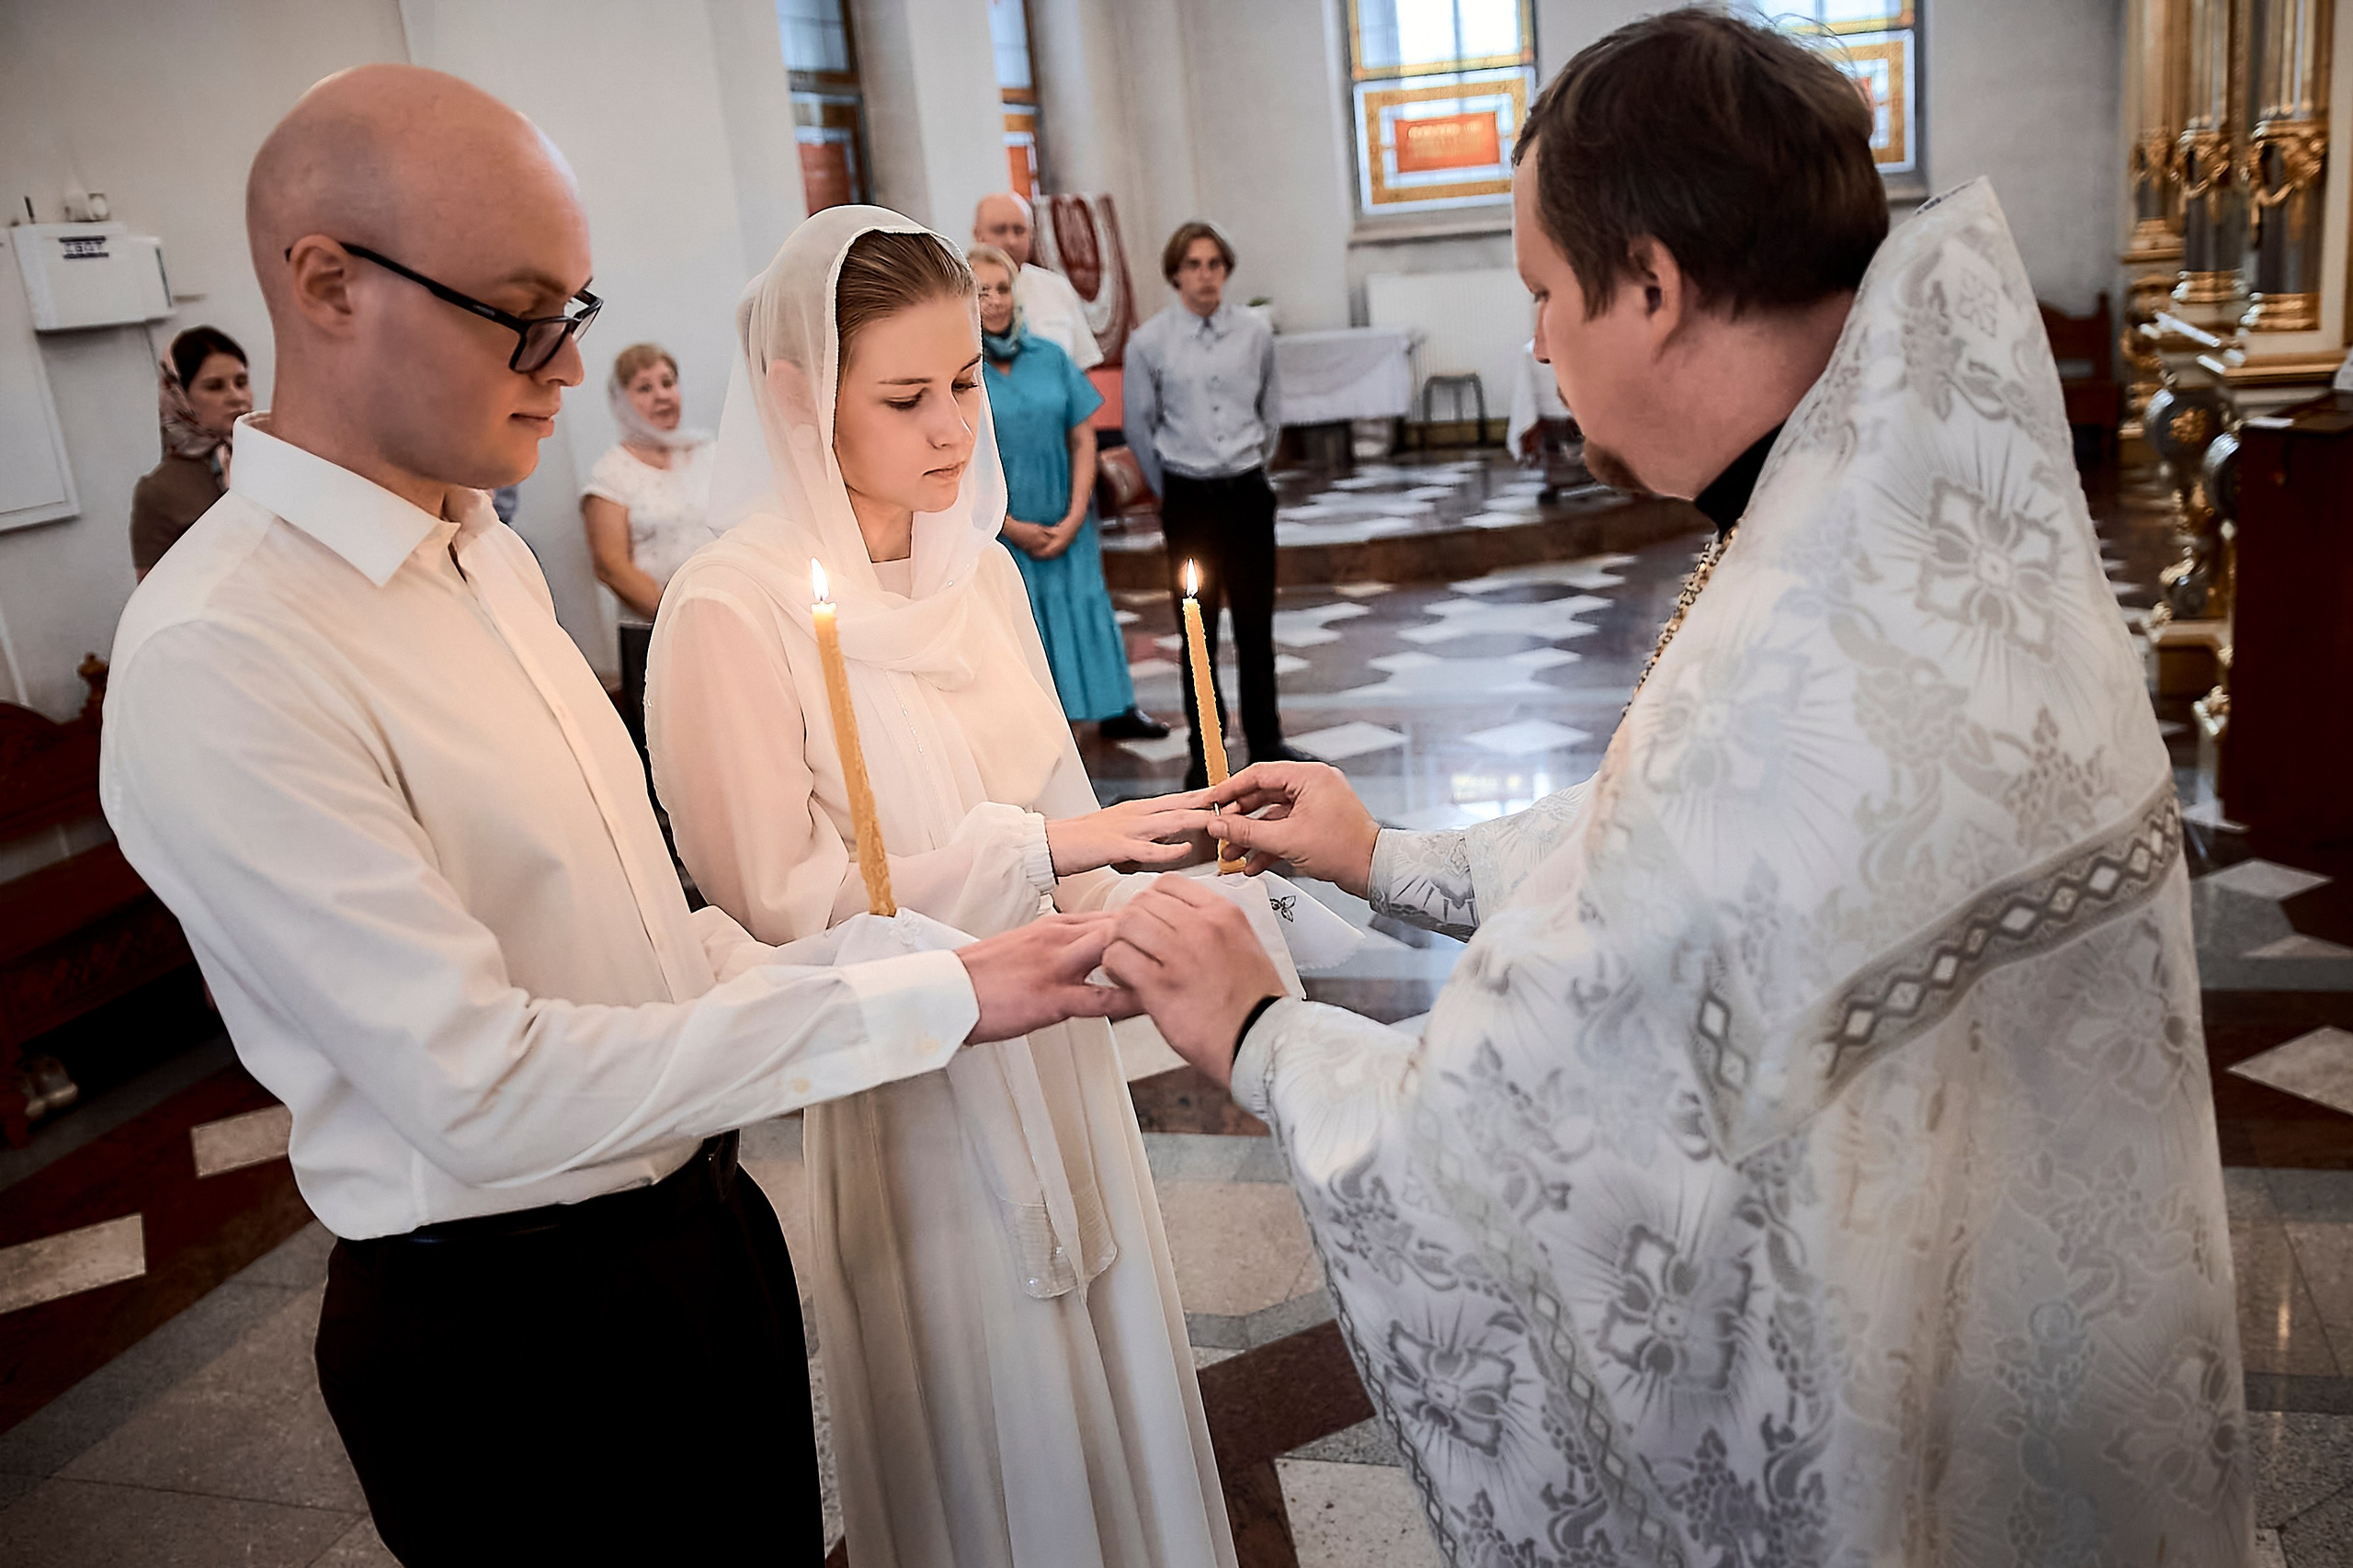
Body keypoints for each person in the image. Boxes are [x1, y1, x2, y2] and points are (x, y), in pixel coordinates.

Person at [1105, 13, 2249, 1564]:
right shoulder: (1916, 531)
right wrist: (1386, 853)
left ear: (1648, 283)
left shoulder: (1808, 645)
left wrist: (1261, 1031)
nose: (1536, 342)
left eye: (1543, 291)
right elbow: (1673, 859)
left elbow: (1509, 1158)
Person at [99, 65, 1129, 1566]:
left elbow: (655, 948)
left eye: (574, 309)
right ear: (327, 284)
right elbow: (485, 1079)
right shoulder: (227, 649)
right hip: (513, 1331)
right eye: (523, 314)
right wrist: (923, 1004)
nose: (572, 366)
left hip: (695, 1239)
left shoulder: (487, 558)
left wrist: (948, 967)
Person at [646, 208, 1237, 1568]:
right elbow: (786, 909)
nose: (954, 429)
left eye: (965, 381)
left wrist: (1171, 913)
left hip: (1059, 1050)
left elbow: (1066, 817)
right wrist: (1034, 857)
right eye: (905, 396)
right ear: (797, 399)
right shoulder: (730, 610)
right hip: (911, 1076)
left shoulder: (978, 573)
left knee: (1109, 1384)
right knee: (984, 1418)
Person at [1124, 222, 1300, 790]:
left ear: (1227, 270)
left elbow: (1271, 411)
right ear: (1175, 274)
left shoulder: (1255, 333)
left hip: (1246, 492)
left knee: (1255, 622)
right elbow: (1139, 425)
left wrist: (1249, 465)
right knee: (1196, 623)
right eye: (1194, 265)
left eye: (1215, 264)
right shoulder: (1150, 342)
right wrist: (1173, 486)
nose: (1205, 276)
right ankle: (1205, 748)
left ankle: (1266, 738)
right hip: (1189, 497)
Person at [969, 243, 1158, 741]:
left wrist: (1076, 514)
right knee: (1025, 621)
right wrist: (1008, 525)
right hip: (1003, 528)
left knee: (1085, 607)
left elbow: (1082, 436)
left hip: (1066, 514)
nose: (995, 300)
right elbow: (961, 461)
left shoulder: (1050, 357)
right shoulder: (961, 373)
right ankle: (1039, 731)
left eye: (1003, 289)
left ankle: (1114, 709)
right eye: (981, 291)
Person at [581, 342, 718, 747]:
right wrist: (681, 616)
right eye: (644, 388)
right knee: (685, 746)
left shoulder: (707, 453)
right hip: (657, 634)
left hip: (725, 619)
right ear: (622, 402)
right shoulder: (611, 474)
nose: (661, 395)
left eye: (668, 383)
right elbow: (610, 566)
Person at [131, 325, 253, 576]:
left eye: (241, 382)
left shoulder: (274, 457)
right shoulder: (159, 491)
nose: (236, 396)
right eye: (215, 386)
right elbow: (154, 589)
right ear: (179, 395)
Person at [973, 190, 1103, 371]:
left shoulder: (1057, 288)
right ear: (978, 235)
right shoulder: (960, 292)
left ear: (1032, 234)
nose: (1011, 241)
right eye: (1000, 230)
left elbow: (1083, 365)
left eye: (1019, 230)